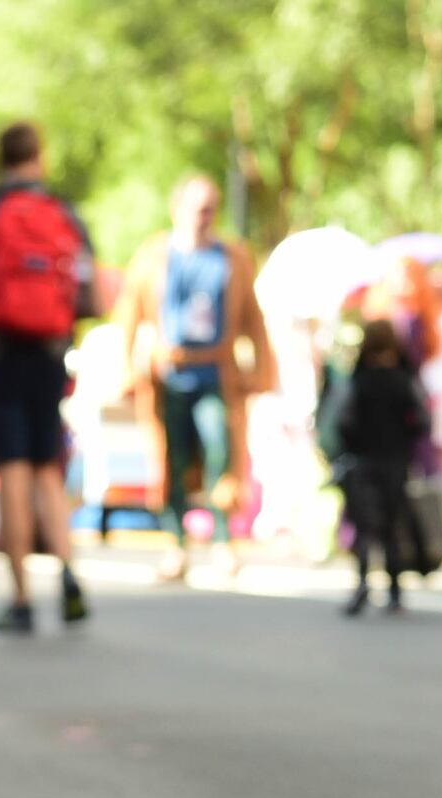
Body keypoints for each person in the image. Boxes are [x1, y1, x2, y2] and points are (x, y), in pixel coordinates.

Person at [0, 118, 96, 634]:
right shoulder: (65, 216)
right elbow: (94, 295)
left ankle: (23, 596)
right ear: (40, 156)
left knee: (12, 468)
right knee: (47, 465)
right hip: (51, 354)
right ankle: (70, 572)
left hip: (2, 352)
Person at [123, 177, 270, 584]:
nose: (205, 217)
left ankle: (223, 540)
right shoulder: (155, 255)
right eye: (198, 208)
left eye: (212, 208)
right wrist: (126, 370)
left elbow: (253, 319)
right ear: (178, 209)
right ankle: (175, 543)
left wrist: (261, 370)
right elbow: (130, 314)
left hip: (215, 373)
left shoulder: (232, 257)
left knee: (221, 451)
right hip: (168, 373)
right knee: (171, 457)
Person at [320, 315, 424, 615]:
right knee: (392, 525)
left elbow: (343, 422)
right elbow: (421, 421)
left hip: (363, 461)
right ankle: (394, 592)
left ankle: (364, 584)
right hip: (395, 461)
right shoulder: (404, 380)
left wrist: (349, 445)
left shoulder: (358, 380)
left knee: (367, 527)